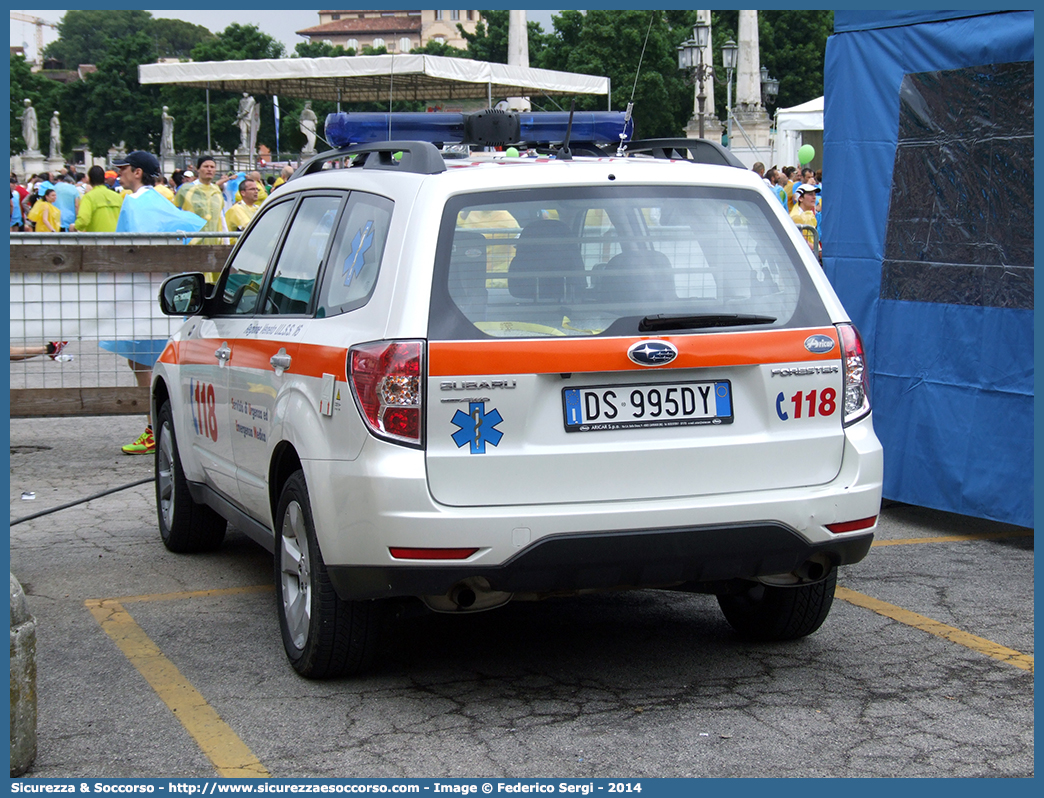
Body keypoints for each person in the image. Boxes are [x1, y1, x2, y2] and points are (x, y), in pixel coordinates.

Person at [109, 150, 207, 454]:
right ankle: (161, 424)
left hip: (144, 293)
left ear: (137, 172)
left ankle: (157, 426)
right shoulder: (158, 199)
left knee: (143, 361)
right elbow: (187, 229)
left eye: (123, 168)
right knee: (146, 359)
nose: (119, 173)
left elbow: (131, 244)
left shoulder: (136, 202)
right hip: (160, 291)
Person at [174, 155, 230, 245]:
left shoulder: (217, 191)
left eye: (212, 167)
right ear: (198, 169)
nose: (209, 169)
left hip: (214, 243)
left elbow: (221, 218)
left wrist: (227, 243)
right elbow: (177, 215)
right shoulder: (185, 190)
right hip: (192, 244)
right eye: (206, 166)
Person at [70, 166, 124, 232]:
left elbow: (83, 220)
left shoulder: (89, 197)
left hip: (97, 240)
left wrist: (75, 227)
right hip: (117, 239)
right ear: (104, 179)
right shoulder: (117, 196)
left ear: (89, 180)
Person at [789, 183, 820, 253]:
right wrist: (820, 252)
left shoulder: (808, 213)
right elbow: (803, 242)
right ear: (800, 198)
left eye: (814, 194)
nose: (814, 197)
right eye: (810, 194)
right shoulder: (796, 217)